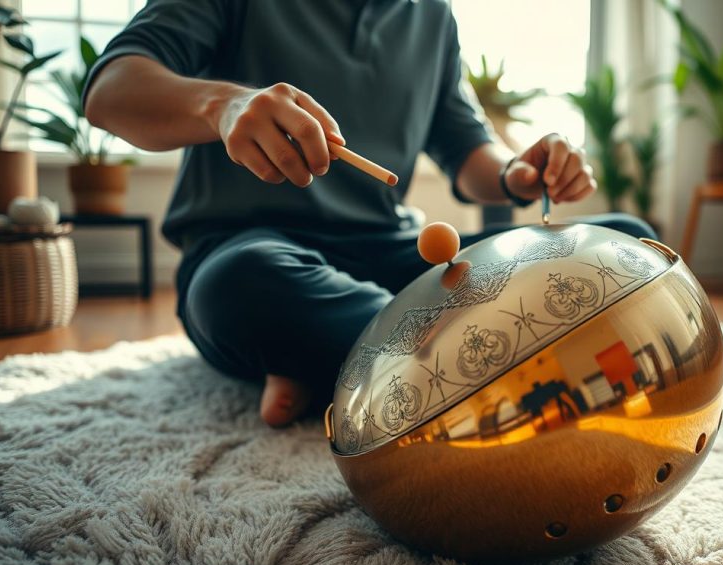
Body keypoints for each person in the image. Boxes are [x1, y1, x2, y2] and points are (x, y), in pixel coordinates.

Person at [85, 0, 657, 426]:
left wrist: (516, 173)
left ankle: (340, 361)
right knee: (242, 288)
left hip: (390, 251)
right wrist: (223, 104)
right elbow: (109, 90)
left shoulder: (432, 17)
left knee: (626, 245)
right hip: (251, 248)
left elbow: (465, 150)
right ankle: (479, 360)